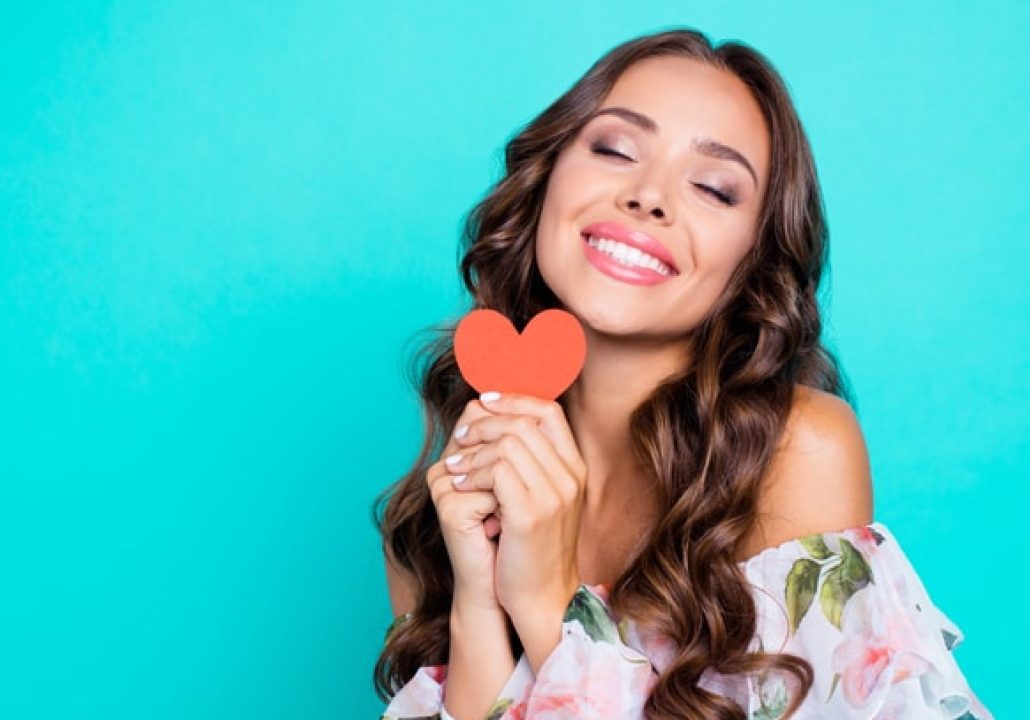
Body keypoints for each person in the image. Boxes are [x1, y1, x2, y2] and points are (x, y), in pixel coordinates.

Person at [371, 27, 991, 720]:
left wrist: (546, 611)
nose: (648, 195)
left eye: (714, 188)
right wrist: (479, 607)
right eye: (612, 148)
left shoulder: (797, 457)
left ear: (753, 264)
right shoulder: (439, 511)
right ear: (544, 180)